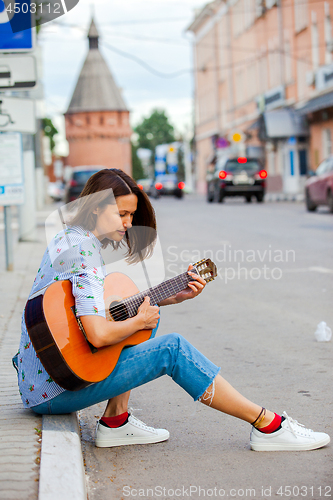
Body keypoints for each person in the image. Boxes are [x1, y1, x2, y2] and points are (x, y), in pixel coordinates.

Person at [14, 168, 330, 452]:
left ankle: (116, 422)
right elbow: (96, 334)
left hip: (40, 381)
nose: (128, 224)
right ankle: (268, 425)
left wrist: (169, 298)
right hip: (56, 392)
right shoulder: (84, 254)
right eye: (121, 214)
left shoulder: (68, 238)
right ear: (96, 208)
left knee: (145, 319)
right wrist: (140, 317)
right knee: (173, 348)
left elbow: (82, 317)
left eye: (131, 215)